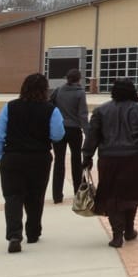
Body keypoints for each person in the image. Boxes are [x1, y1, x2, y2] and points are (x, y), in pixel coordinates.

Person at [82, 78, 138, 248]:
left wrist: (87, 156)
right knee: (131, 194)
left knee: (112, 195)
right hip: (134, 159)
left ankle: (117, 235)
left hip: (108, 159)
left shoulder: (101, 110)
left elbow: (92, 136)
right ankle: (129, 230)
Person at [0, 72, 66, 253]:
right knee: (36, 196)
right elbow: (57, 135)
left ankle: (14, 235)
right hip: (39, 158)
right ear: (45, 90)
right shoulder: (51, 110)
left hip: (12, 157)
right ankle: (33, 232)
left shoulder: (10, 107)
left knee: (12, 197)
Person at [49, 68, 90, 204]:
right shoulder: (80, 93)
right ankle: (78, 191)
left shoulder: (58, 91)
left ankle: (57, 195)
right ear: (79, 79)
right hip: (74, 130)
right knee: (76, 160)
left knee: (59, 162)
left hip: (59, 129)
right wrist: (88, 133)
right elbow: (83, 114)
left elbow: (51, 105)